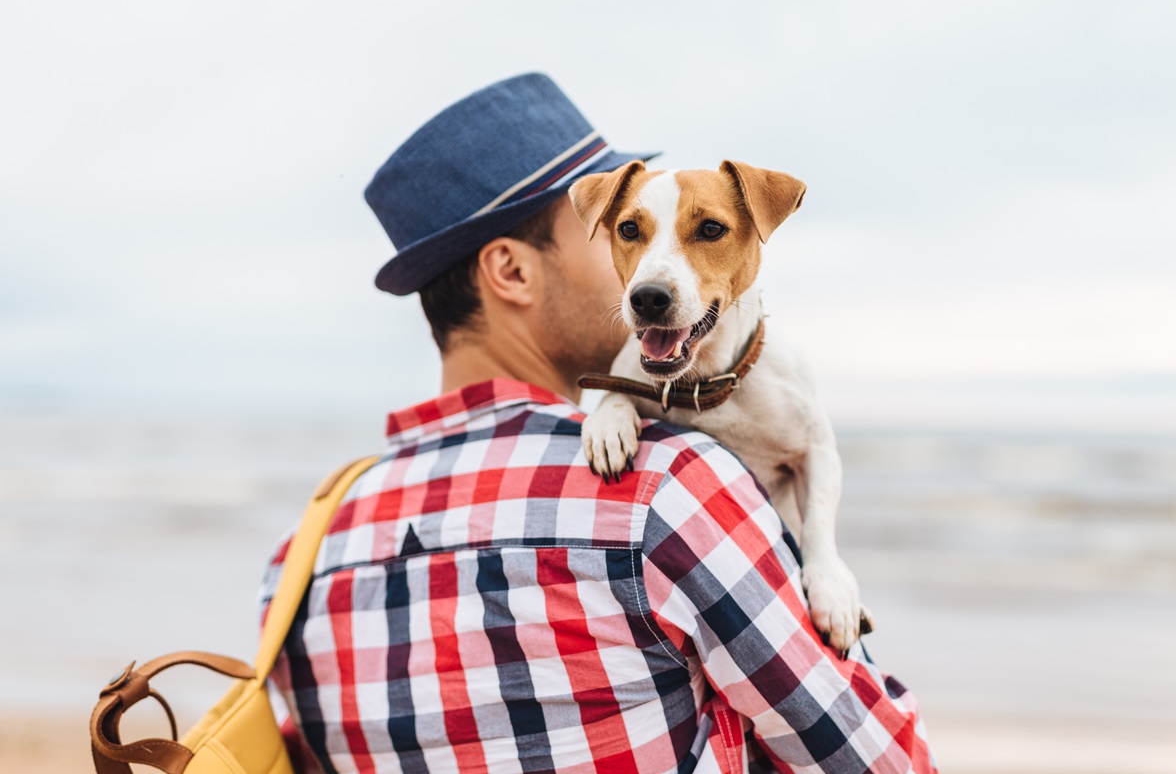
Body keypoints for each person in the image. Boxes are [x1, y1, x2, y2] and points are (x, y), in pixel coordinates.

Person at [258, 73, 937, 773]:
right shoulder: (669, 491)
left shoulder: (298, 561)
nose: (651, 266)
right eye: (624, 231)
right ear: (511, 272)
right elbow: (877, 758)